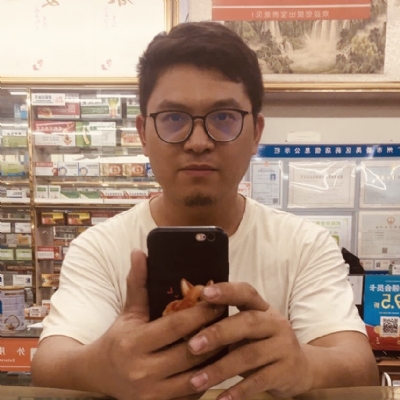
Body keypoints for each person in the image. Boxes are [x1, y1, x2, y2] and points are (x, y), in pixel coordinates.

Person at [31, 21, 379, 400]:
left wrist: (303, 365)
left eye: (223, 117)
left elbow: (359, 367)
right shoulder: (98, 248)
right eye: (174, 118)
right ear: (144, 134)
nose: (198, 142)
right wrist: (101, 367)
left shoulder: (305, 245)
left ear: (256, 133)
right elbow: (50, 364)